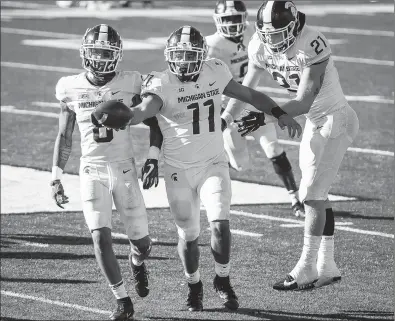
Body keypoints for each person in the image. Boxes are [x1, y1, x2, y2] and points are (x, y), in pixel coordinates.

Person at [92, 25, 302, 311]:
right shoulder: (160, 84)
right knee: (189, 237)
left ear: (202, 56)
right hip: (178, 169)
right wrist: (124, 116)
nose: (184, 62)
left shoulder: (214, 71)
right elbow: (142, 112)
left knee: (220, 225)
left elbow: (249, 94)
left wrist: (279, 112)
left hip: (213, 162)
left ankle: (223, 280)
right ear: (169, 56)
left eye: (190, 56)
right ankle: (194, 284)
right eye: (179, 56)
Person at [227, 1, 359, 291]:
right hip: (316, 121)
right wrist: (226, 119)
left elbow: (304, 100)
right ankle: (327, 265)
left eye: (278, 34)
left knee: (311, 195)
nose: (272, 40)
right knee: (313, 193)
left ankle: (306, 267)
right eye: (267, 34)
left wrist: (266, 117)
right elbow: (247, 87)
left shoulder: (311, 44)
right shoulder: (259, 45)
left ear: (295, 25)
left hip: (335, 120)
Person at [51, 24, 163, 320]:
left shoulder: (132, 82)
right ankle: (122, 300)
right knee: (100, 236)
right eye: (96, 53)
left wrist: (153, 157)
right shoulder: (69, 87)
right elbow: (65, 136)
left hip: (125, 169)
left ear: (118, 56)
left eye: (106, 54)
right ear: (85, 54)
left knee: (142, 242)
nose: (101, 59)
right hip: (91, 170)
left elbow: (155, 122)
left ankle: (137, 262)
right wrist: (56, 176)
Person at [207, 0, 305, 218]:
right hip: (229, 109)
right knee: (240, 165)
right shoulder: (211, 46)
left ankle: (295, 198)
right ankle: (215, 171)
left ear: (245, 18)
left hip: (255, 102)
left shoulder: (255, 32)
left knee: (273, 148)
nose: (233, 24)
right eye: (228, 19)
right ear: (217, 21)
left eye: (236, 18)